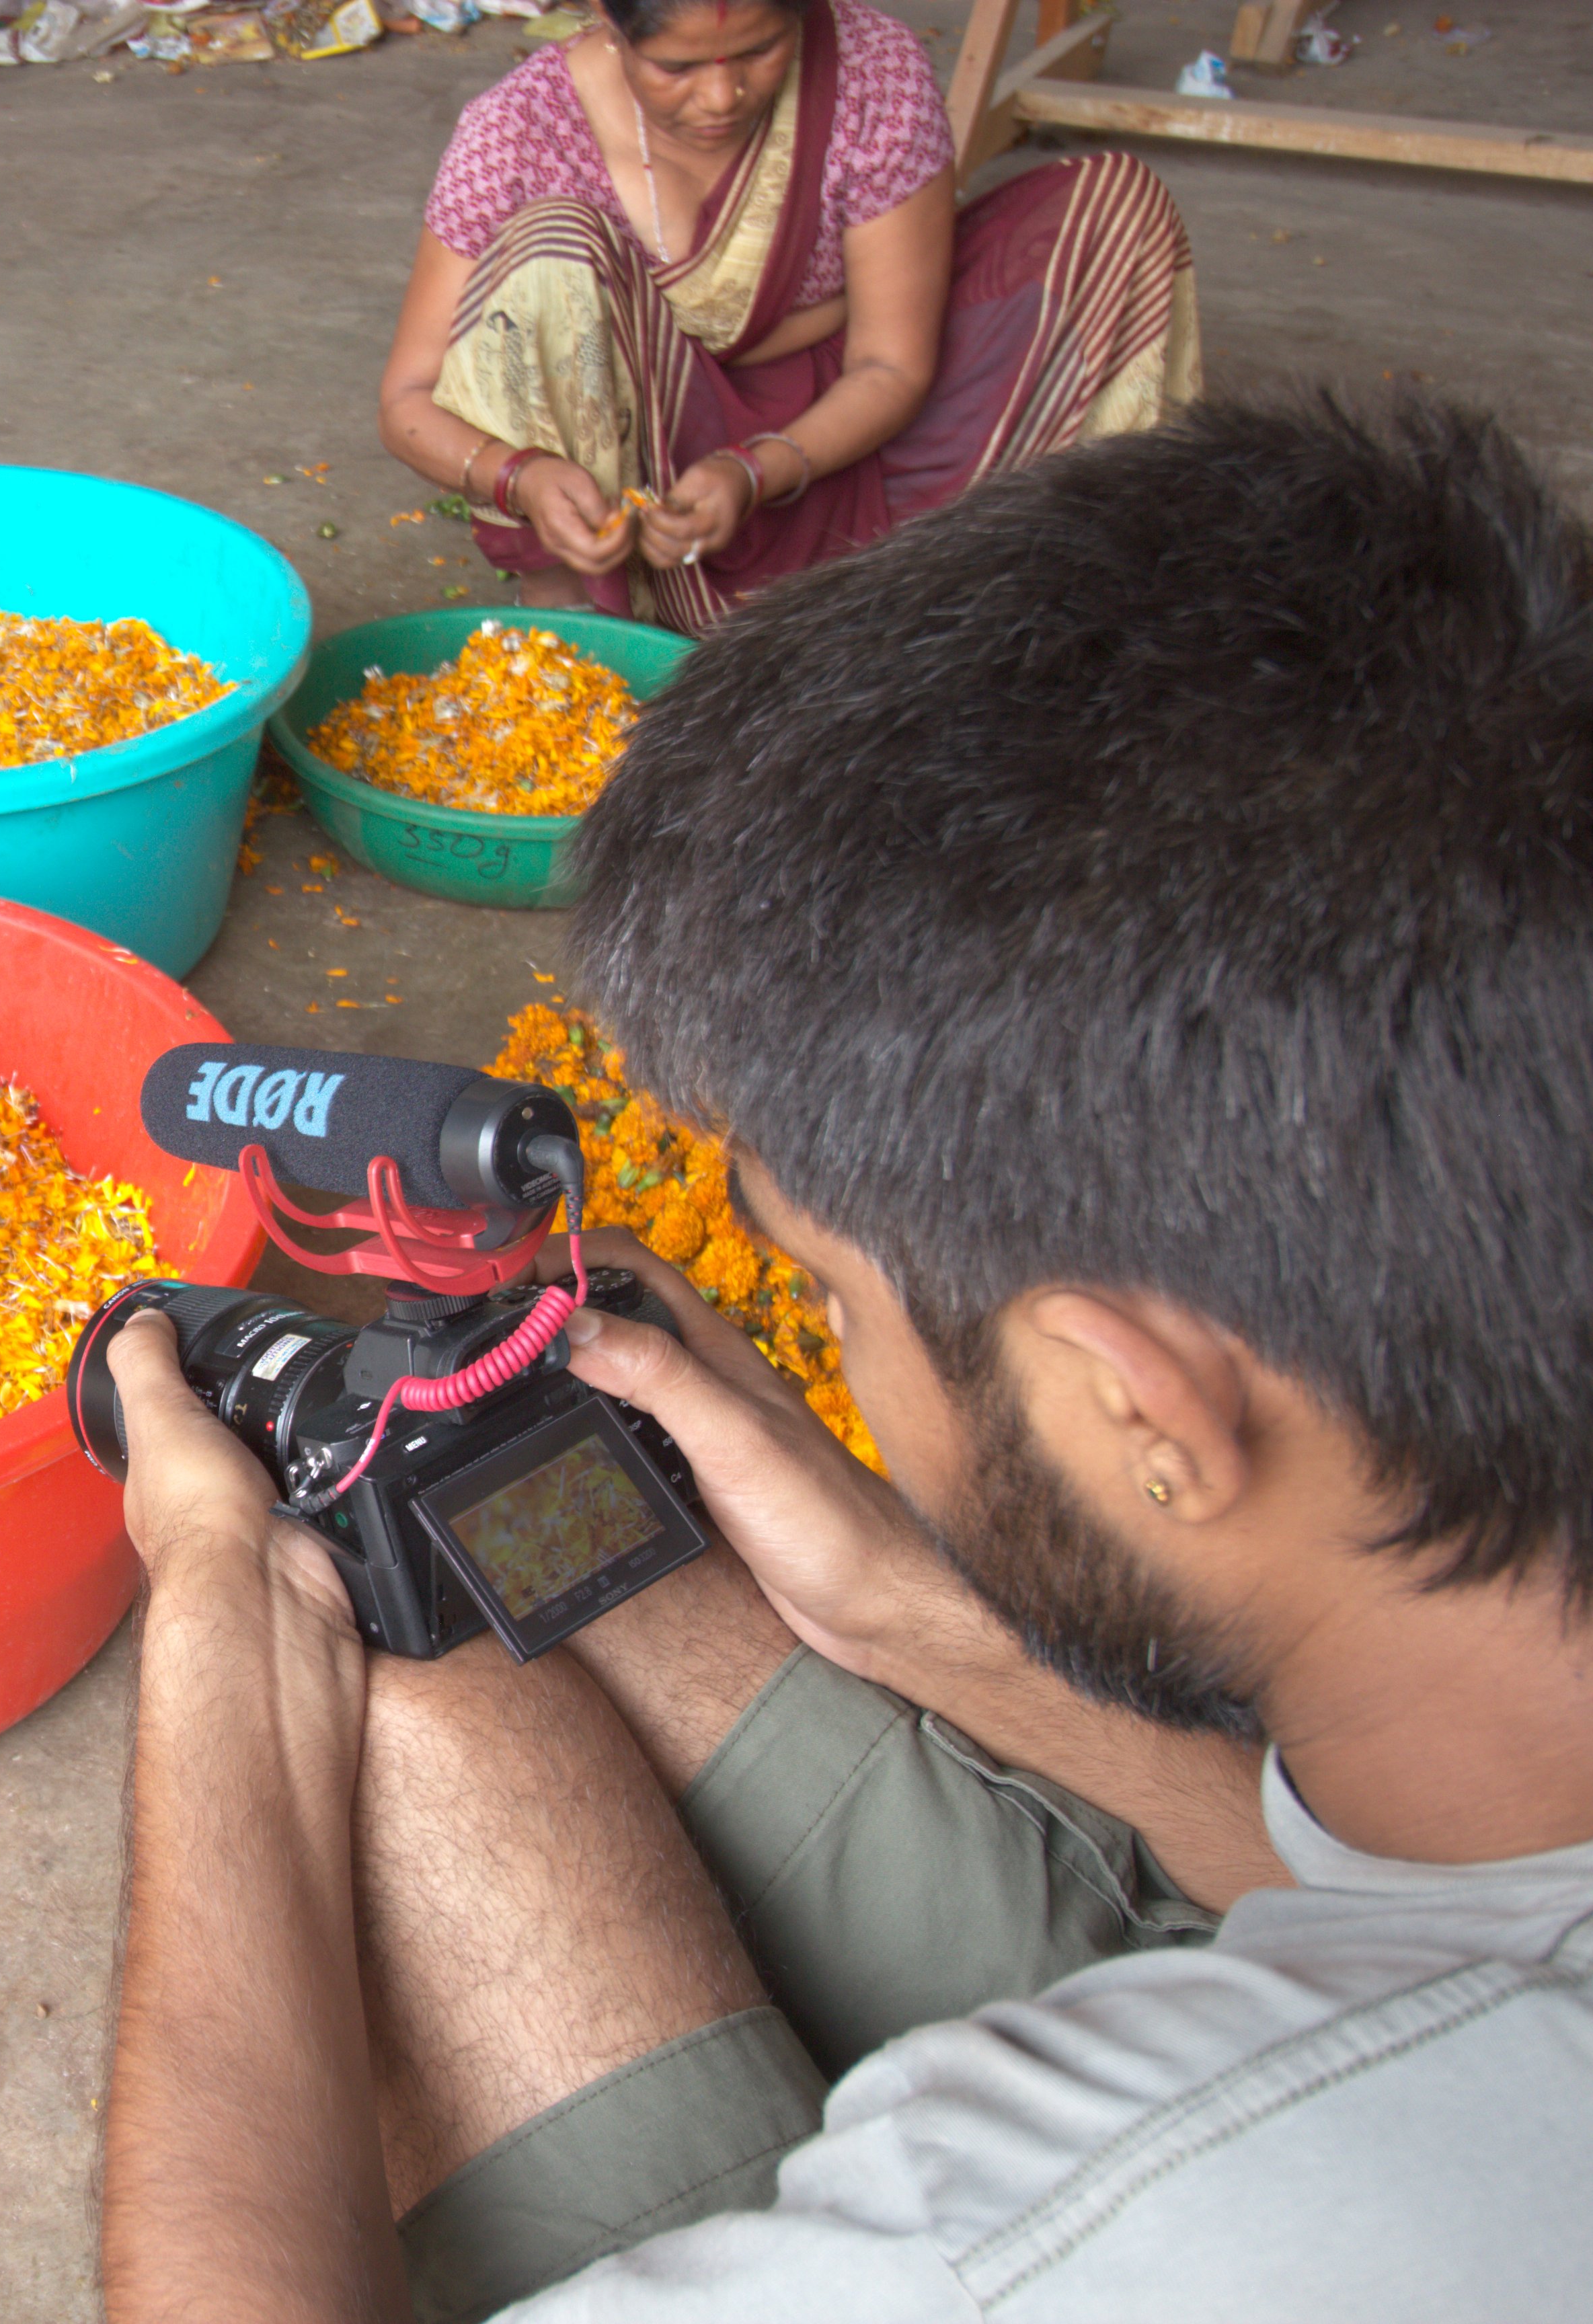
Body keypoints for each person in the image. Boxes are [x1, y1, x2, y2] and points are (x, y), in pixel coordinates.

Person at [101, 395, 1593, 2319]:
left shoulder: (1125, 2224)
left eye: (829, 1299)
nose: (828, 1350)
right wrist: (908, 1609)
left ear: (1139, 1405)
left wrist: (221, 1633)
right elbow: (1441, 1900)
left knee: (364, 1724)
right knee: (467, 1630)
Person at [378, 0, 1200, 635]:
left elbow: (892, 363)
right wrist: (524, 476)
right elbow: (409, 401)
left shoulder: (872, 71)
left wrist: (752, 470)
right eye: (677, 66)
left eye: (762, 50)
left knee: (1111, 212)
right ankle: (578, 610)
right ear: (607, 20)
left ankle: (997, 600)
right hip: (629, 470)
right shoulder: (517, 131)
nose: (723, 95)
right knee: (549, 249)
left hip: (839, 423)